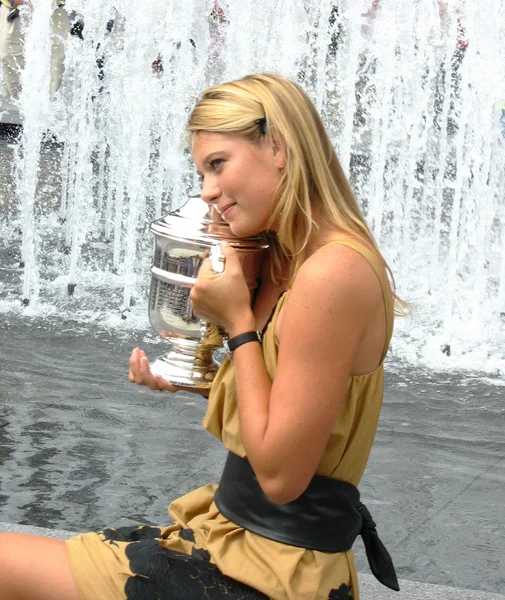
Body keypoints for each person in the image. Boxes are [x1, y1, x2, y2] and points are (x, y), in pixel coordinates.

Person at [0, 73, 405, 599]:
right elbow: (291, 412)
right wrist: (196, 380)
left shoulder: (333, 273)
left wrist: (239, 323)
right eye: (201, 172)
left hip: (273, 570)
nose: (207, 190)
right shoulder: (286, 257)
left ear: (278, 147)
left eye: (218, 164)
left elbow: (282, 477)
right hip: (234, 539)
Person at [0, 0, 70, 102]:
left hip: (54, 9)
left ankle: (48, 107)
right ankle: (23, 104)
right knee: (8, 57)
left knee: (55, 66)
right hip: (15, 9)